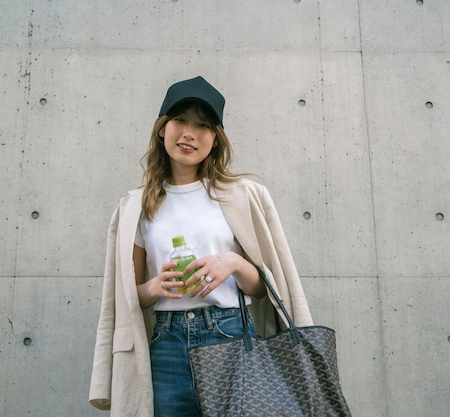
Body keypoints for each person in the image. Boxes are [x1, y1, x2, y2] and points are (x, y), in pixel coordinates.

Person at [89, 76, 314, 417]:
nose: (189, 133)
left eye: (203, 125)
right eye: (180, 120)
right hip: (167, 346)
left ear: (216, 139)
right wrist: (155, 286)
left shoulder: (244, 196)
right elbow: (127, 296)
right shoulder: (135, 207)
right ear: (162, 129)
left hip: (232, 335)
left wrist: (234, 264)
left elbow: (263, 289)